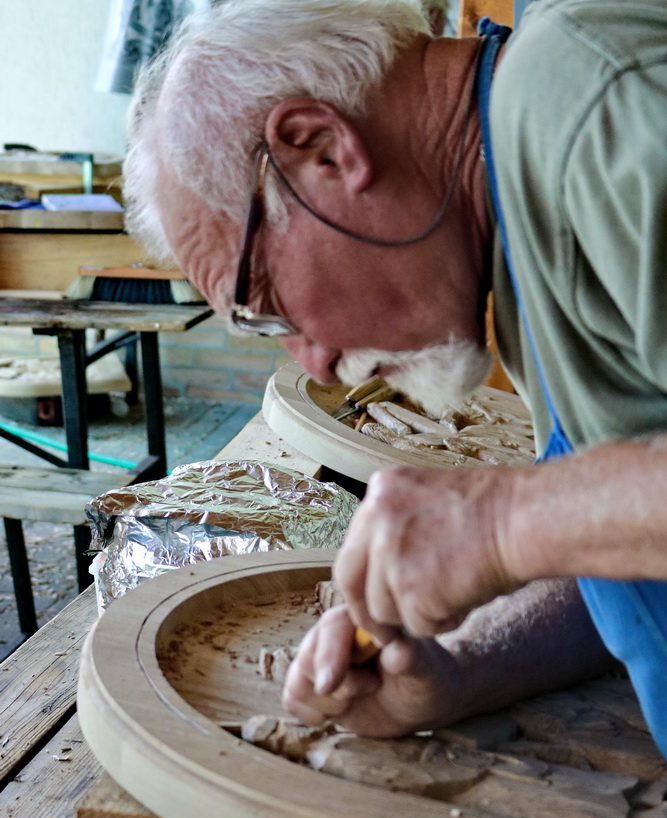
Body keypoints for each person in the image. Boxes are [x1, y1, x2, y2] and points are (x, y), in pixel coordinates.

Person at [123, 0, 667, 755]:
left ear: (322, 147)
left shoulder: (588, 102)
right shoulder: (511, 240)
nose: (314, 362)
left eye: (268, 305)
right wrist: (463, 668)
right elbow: (625, 552)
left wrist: (502, 524)